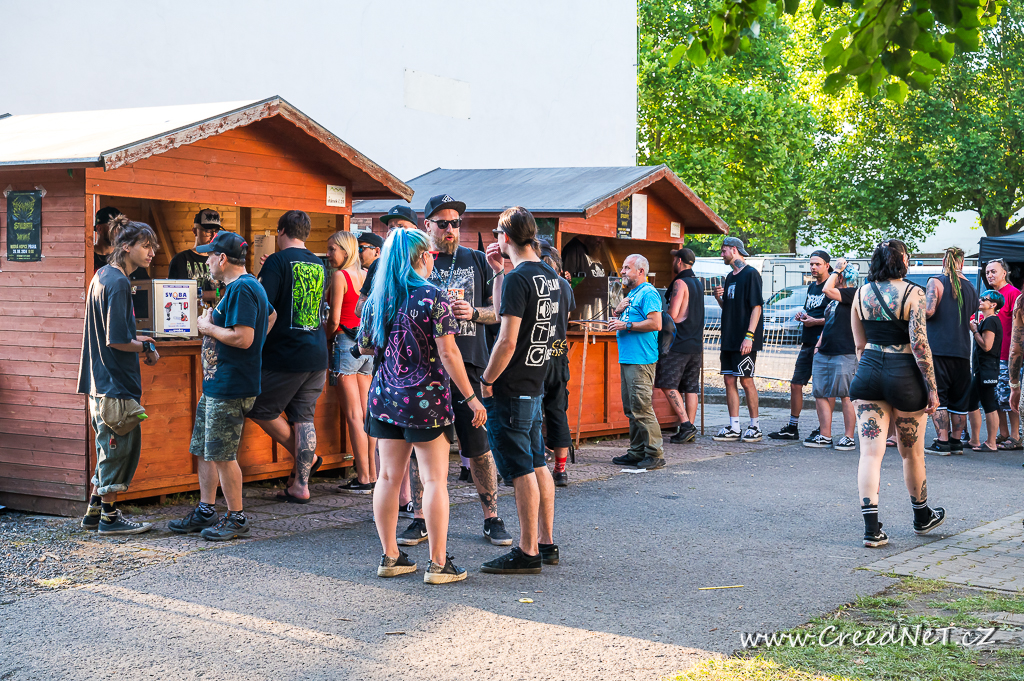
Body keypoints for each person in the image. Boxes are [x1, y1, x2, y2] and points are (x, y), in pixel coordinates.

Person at [361, 227, 484, 584]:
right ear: (421, 257)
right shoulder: (434, 297)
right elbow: (449, 353)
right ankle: (438, 564)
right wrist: (471, 397)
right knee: (433, 480)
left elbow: (366, 345)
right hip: (426, 401)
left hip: (386, 398)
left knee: (387, 477)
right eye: (429, 254)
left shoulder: (377, 299)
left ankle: (390, 557)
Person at [399, 194, 513, 549]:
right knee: (423, 446)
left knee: (478, 445)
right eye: (443, 223)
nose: (451, 229)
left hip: (468, 363)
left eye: (456, 223)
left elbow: (500, 312)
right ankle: (419, 518)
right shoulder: (415, 261)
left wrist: (474, 313)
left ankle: (492, 517)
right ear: (427, 225)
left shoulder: (476, 259)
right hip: (424, 368)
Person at [169, 231, 275, 541]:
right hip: (218, 384)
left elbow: (244, 337)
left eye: (210, 256)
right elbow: (271, 316)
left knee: (223, 454)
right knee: (206, 449)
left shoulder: (242, 288)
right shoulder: (245, 285)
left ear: (223, 258)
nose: (207, 262)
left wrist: (207, 327)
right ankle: (206, 510)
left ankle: (236, 517)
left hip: (231, 386)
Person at [479, 207, 562, 574]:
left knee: (521, 469)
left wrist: (486, 380)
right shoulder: (549, 275)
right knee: (538, 462)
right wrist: (499, 271)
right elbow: (504, 313)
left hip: (511, 385)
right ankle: (545, 543)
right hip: (535, 381)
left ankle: (527, 552)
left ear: (506, 237)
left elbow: (506, 339)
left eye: (497, 233)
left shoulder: (519, 278)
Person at [850, 239, 944, 548]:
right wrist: (932, 388)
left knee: (869, 453)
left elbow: (859, 345)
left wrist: (869, 373)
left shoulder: (861, 293)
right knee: (912, 453)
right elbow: (919, 345)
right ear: (902, 261)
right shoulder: (914, 293)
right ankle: (922, 516)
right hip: (904, 376)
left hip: (868, 373)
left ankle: (871, 530)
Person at [78, 216, 161, 535]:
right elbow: (116, 340)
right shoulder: (119, 283)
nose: (151, 252)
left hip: (98, 382)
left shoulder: (101, 275)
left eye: (153, 246)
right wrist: (145, 346)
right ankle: (110, 518)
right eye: (146, 246)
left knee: (106, 448)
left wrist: (139, 339)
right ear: (126, 247)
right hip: (114, 382)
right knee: (118, 450)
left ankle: (94, 511)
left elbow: (111, 333)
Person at [244, 211, 328, 503]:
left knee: (258, 408)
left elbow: (262, 305)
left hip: (285, 353)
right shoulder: (319, 263)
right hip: (316, 353)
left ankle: (310, 459)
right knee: (303, 417)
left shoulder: (277, 261)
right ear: (305, 233)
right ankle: (300, 486)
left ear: (281, 231)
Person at [326, 230, 376, 494]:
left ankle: (364, 477)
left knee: (354, 415)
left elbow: (334, 319)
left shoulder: (340, 276)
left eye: (332, 249)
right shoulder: (366, 275)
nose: (328, 254)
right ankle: (374, 473)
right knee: (367, 414)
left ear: (346, 251)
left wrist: (325, 337)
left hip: (345, 344)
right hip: (366, 346)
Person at [608, 254, 665, 469]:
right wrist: (618, 312)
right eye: (623, 267)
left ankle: (655, 454)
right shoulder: (633, 293)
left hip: (641, 359)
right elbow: (626, 320)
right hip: (629, 358)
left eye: (626, 268)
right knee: (632, 408)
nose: (622, 271)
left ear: (641, 271)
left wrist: (626, 325)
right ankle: (637, 451)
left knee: (641, 407)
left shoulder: (648, 293)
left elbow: (656, 323)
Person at [768, 251, 831, 441]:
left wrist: (815, 321)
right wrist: (803, 316)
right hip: (807, 342)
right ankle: (792, 427)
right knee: (796, 384)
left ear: (827, 265)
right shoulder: (812, 286)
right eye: (811, 264)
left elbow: (836, 317)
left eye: (817, 264)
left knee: (823, 389)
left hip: (824, 344)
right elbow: (811, 309)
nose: (813, 267)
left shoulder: (831, 287)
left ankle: (824, 429)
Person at [923, 247, 979, 455]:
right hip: (963, 350)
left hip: (938, 348)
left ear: (944, 261)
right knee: (959, 400)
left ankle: (942, 442)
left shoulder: (936, 282)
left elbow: (929, 311)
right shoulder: (971, 287)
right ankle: (956, 442)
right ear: (962, 262)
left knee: (939, 396)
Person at [712, 237, 764, 443]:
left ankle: (755, 426)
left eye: (724, 250)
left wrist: (749, 336)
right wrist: (719, 298)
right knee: (728, 380)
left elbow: (757, 307)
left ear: (734, 250)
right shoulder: (729, 277)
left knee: (746, 380)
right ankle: (734, 426)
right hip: (729, 338)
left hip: (745, 338)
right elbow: (729, 307)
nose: (721, 254)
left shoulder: (751, 274)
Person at [806, 259, 858, 450]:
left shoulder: (852, 293)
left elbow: (826, 289)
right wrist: (818, 346)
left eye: (837, 275)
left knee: (846, 395)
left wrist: (835, 270)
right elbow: (829, 322)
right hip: (825, 351)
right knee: (820, 393)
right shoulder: (834, 299)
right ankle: (825, 435)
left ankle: (848, 437)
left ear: (841, 277)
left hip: (845, 352)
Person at [655, 247, 703, 445]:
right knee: (691, 387)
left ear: (680, 261)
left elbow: (673, 315)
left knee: (667, 383)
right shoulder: (697, 283)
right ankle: (689, 429)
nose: (673, 262)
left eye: (675, 259)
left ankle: (686, 425)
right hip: (695, 343)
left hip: (678, 342)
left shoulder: (680, 283)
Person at [539, 242, 576, 486]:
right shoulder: (564, 285)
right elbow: (567, 317)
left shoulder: (532, 280)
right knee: (557, 410)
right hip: (559, 352)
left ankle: (535, 467)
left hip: (535, 354)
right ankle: (560, 471)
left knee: (532, 412)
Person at [985, 259, 1022, 449]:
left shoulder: (1014, 294)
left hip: (1008, 356)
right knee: (996, 397)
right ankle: (1004, 433)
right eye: (987, 272)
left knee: (1009, 396)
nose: (990, 275)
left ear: (1004, 273)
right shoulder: (989, 295)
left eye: (993, 271)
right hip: (991, 355)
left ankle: (1016, 436)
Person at [356, 206, 414, 317]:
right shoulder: (378, 265)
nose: (394, 232)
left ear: (415, 229)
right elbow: (359, 310)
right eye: (391, 227)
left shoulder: (424, 261)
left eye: (400, 227)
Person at [94, 207, 151, 317]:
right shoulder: (87, 258)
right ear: (99, 229)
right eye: (113, 226)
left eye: (121, 227)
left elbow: (144, 292)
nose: (118, 231)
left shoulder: (128, 258)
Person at [968, 290, 1004, 452]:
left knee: (989, 404)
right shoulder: (987, 321)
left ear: (993, 305)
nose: (980, 300)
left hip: (987, 369)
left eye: (984, 299)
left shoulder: (991, 321)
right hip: (981, 369)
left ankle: (991, 443)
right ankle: (974, 440)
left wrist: (975, 331)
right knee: (971, 402)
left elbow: (987, 346)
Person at [167, 208, 220, 302]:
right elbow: (177, 294)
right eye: (207, 231)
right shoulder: (181, 259)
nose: (213, 235)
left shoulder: (221, 258)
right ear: (195, 231)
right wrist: (216, 294)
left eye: (216, 231)